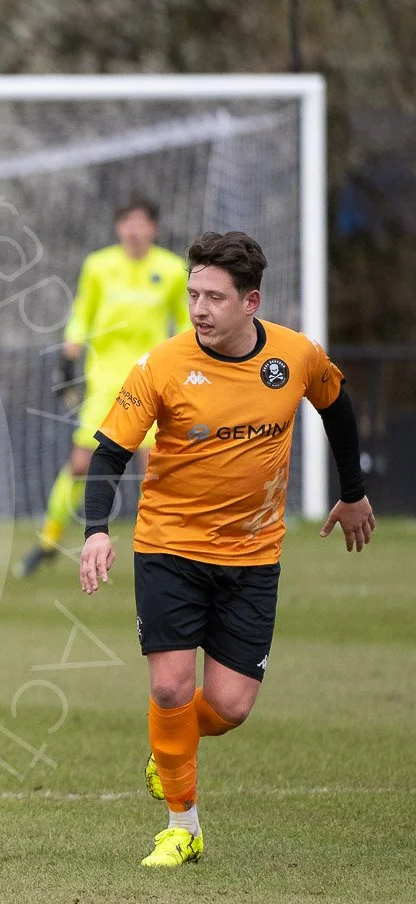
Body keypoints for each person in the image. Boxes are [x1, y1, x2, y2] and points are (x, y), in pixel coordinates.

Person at [78, 231, 375, 868]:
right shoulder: (161, 365)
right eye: (192, 294)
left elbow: (338, 407)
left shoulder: (294, 357)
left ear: (251, 302)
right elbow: (108, 455)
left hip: (253, 555)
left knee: (230, 708)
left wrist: (352, 493)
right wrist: (96, 531)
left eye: (214, 296)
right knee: (170, 690)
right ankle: (182, 825)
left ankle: (169, 746)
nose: (200, 308)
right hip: (169, 548)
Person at [17, 197, 189, 578]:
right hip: (106, 383)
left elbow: (185, 322)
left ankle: (167, 554)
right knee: (81, 465)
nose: (134, 229)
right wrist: (69, 351)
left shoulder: (172, 270)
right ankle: (48, 541)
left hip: (153, 380)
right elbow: (82, 313)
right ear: (118, 227)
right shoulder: (98, 266)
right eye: (127, 221)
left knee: (156, 470)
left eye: (142, 222)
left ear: (154, 228)